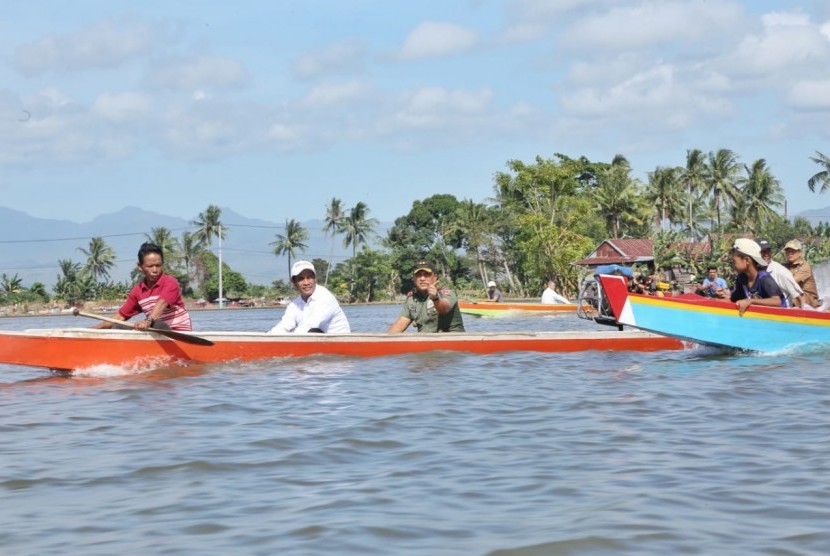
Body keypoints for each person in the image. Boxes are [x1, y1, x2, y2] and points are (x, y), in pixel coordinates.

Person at [94, 242, 192, 331]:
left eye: (158, 265)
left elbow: (162, 304)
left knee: (156, 324)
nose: (155, 270)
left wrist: (148, 321)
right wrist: (93, 329)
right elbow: (120, 316)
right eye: (150, 266)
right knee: (118, 326)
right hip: (155, 332)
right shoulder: (137, 291)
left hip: (177, 332)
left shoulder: (170, 282)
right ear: (140, 267)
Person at [268, 260, 351, 334]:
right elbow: (284, 326)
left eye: (309, 277)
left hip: (339, 344)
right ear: (294, 282)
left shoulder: (325, 297)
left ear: (315, 279)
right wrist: (268, 336)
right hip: (315, 342)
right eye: (301, 279)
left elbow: (310, 325)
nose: (306, 282)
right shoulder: (294, 304)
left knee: (313, 331)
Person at [387, 260, 465, 333]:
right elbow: (398, 327)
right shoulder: (412, 299)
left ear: (435, 276)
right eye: (418, 275)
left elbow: (444, 309)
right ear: (413, 278)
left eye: (427, 274)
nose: (422, 278)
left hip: (451, 342)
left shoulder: (445, 292)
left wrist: (435, 298)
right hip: (426, 343)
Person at [715, 238, 785, 315]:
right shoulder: (741, 279)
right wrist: (712, 300)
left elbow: (777, 301)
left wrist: (750, 301)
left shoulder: (764, 278)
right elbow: (733, 300)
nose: (733, 266)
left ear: (747, 260)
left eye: (734, 261)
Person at [757, 238, 806, 308]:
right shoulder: (755, 271)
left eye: (768, 251)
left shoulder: (780, 272)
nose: (766, 254)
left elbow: (800, 296)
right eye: (763, 252)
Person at [784, 239, 820, 307]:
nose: (790, 253)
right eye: (788, 251)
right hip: (795, 295)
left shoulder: (804, 266)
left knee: (793, 298)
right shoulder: (785, 265)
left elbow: (791, 282)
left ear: (799, 252)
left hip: (808, 298)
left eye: (792, 251)